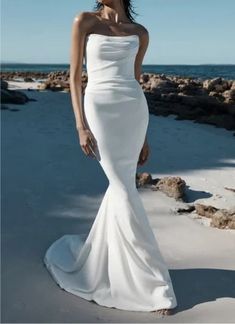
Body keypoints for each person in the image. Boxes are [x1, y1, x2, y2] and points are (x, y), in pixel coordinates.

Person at [44, 0, 177, 316]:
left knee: (122, 187)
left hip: (132, 110)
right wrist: (80, 125)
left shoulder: (140, 32)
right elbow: (75, 77)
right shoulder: (84, 21)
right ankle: (154, 282)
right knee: (121, 186)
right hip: (99, 109)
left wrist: (144, 135)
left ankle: (109, 264)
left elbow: (136, 79)